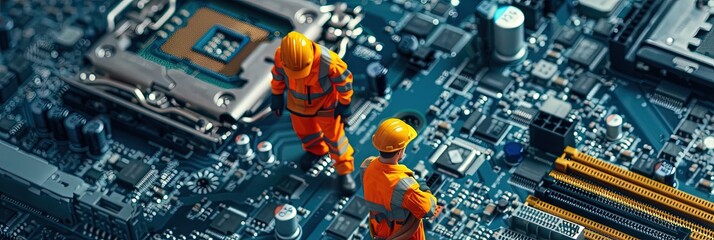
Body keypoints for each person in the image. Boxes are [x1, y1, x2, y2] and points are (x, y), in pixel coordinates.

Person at [270, 31, 357, 195]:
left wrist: (345, 104)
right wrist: (276, 94)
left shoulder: (328, 62)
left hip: (326, 107)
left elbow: (345, 83)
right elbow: (277, 75)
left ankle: (344, 171)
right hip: (298, 107)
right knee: (306, 134)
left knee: (336, 140)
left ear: (310, 58)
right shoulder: (281, 56)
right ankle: (316, 150)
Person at [361, 118, 438, 240]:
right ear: (400, 151)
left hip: (378, 230)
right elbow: (428, 210)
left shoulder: (367, 165)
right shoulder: (404, 186)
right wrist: (424, 190)